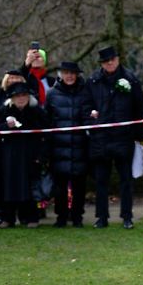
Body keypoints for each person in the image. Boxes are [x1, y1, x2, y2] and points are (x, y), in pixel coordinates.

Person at [86, 46, 143, 229]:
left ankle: (127, 216)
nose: (110, 63)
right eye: (106, 61)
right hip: (101, 137)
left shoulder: (131, 80)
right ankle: (101, 217)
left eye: (112, 59)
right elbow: (86, 104)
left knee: (126, 180)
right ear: (101, 64)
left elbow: (139, 108)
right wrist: (91, 115)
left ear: (118, 60)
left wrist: (139, 135)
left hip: (123, 137)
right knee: (101, 180)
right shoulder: (93, 80)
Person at [0, 74, 47, 228]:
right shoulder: (4, 110)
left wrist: (41, 155)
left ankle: (31, 218)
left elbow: (46, 133)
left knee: (30, 186)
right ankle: (7, 218)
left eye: (24, 95)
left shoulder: (37, 111)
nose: (21, 98)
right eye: (17, 96)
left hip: (30, 155)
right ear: (12, 98)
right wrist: (6, 126)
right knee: (8, 186)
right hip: (9, 155)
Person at [45, 61, 93, 228]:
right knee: (60, 187)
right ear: (61, 75)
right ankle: (61, 216)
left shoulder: (85, 92)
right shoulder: (51, 94)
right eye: (66, 73)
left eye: (72, 73)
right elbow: (47, 119)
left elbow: (88, 116)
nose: (69, 76)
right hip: (58, 146)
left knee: (79, 185)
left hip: (80, 146)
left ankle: (77, 216)